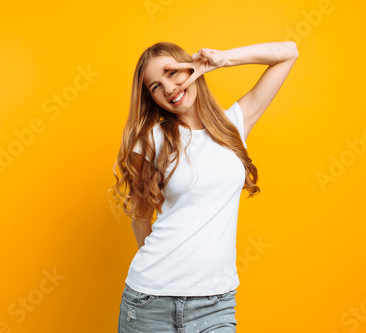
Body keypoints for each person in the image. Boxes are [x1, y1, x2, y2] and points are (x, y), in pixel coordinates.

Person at [109, 41, 298, 332]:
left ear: (191, 67)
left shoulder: (233, 123)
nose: (169, 88)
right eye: (155, 86)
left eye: (173, 73)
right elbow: (141, 216)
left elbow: (288, 53)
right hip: (150, 302)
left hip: (216, 303)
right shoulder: (150, 141)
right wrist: (167, 274)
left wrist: (222, 60)